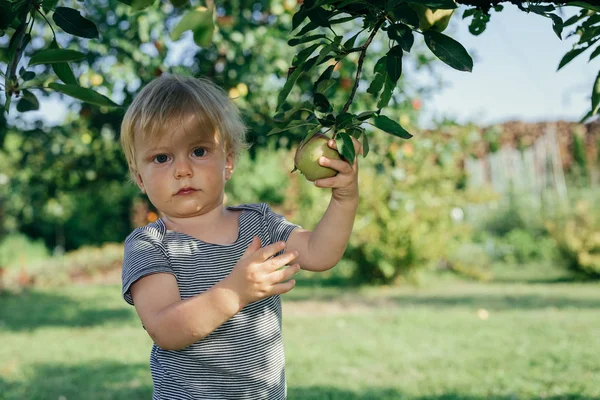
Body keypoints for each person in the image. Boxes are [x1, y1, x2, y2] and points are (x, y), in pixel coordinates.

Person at [119, 74, 360, 399]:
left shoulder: (258, 223)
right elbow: (164, 329)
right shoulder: (150, 245)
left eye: (199, 151)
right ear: (140, 178)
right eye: (162, 158)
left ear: (228, 161)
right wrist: (233, 292)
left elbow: (320, 253)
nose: (182, 169)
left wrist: (345, 199)